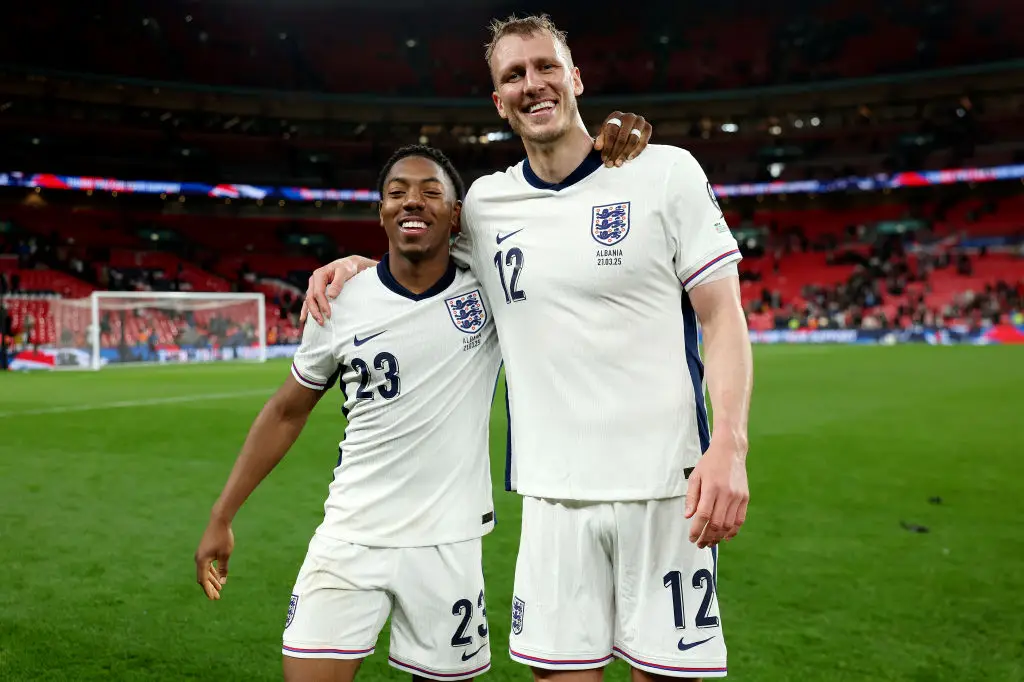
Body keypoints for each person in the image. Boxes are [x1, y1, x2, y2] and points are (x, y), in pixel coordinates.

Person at [304, 14, 753, 682]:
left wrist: (730, 445)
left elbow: (722, 318)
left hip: (667, 489)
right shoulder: (486, 204)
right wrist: (352, 266)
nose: (532, 83)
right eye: (514, 75)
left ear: (575, 77)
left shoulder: (665, 174)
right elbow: (419, 254)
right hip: (552, 499)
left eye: (546, 67)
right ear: (498, 101)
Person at [195, 127, 652, 681]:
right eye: (397, 192)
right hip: (349, 538)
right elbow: (286, 411)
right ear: (382, 211)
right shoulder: (339, 303)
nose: (412, 200)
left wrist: (613, 147)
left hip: (449, 545)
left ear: (456, 214)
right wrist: (222, 514)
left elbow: (565, 233)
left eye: (431, 191)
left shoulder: (491, 291)